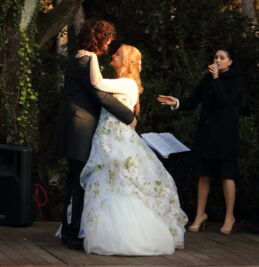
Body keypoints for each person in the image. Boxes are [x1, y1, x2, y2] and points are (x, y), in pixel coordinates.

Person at [76, 44, 187, 255]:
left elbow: (96, 82)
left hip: (116, 141)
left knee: (121, 183)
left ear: (126, 61)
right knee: (105, 183)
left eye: (118, 54)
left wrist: (91, 57)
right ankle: (103, 232)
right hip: (104, 139)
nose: (113, 55)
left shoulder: (127, 83)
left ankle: (127, 236)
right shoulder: (120, 83)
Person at [55, 19, 137, 249]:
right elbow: (99, 94)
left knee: (77, 179)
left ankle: (72, 230)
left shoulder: (84, 57)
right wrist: (130, 117)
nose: (110, 45)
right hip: (79, 127)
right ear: (100, 39)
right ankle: (71, 234)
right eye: (108, 40)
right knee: (77, 181)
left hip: (79, 125)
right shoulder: (85, 59)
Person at [157, 49, 244, 235]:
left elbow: (226, 102)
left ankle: (229, 216)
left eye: (221, 58)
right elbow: (192, 101)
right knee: (204, 175)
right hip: (207, 133)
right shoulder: (208, 79)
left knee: (227, 175)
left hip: (225, 135)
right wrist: (177, 103)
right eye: (215, 57)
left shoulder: (236, 80)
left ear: (230, 62)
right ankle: (200, 214)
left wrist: (215, 80)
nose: (217, 60)